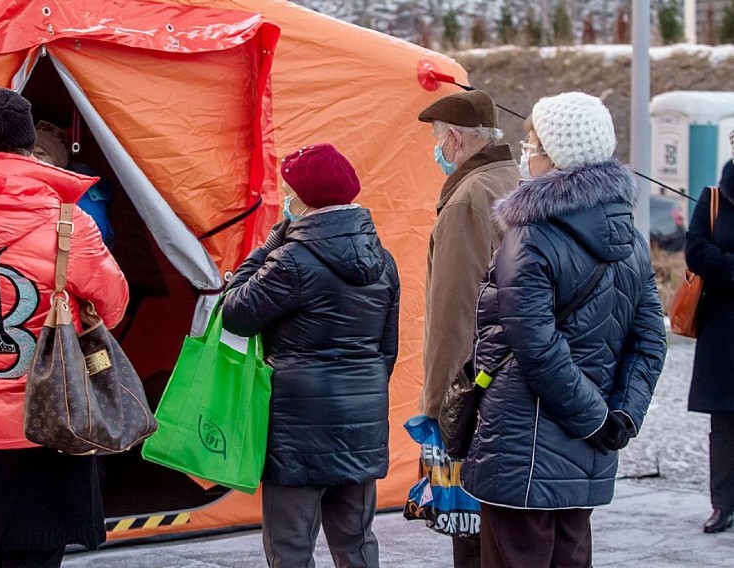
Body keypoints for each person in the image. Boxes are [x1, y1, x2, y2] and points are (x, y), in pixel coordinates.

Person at [0, 88, 129, 567]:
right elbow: (112, 304)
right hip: (47, 411)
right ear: (28, 139)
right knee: (39, 552)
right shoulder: (65, 219)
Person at [460, 92, 667, 567]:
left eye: (531, 142)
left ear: (556, 156)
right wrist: (620, 416)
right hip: (589, 452)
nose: (525, 151)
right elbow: (649, 339)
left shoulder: (530, 233)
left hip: (522, 447)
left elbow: (536, 346)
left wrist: (594, 416)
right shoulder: (630, 236)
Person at [221, 143, 400, 568]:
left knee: (291, 548)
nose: (285, 198)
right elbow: (387, 349)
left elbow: (235, 314)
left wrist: (265, 247)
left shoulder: (290, 261)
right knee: (356, 543)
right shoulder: (384, 260)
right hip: (362, 419)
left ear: (303, 199)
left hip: (298, 427)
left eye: (288, 190)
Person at [417, 89, 519, 567]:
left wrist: (437, 408)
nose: (437, 151)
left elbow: (454, 314)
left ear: (455, 139)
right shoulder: (516, 180)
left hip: (474, 392)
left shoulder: (468, 199)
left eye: (438, 140)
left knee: (470, 533)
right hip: (518, 388)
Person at [685, 142, 734, 533]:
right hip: (724, 328)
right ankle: (722, 505)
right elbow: (696, 250)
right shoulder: (714, 197)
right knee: (724, 422)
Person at [33, 120, 115, 248]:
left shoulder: (84, 204)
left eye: (40, 153)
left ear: (58, 162)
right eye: (28, 152)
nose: (32, 159)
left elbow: (95, 247)